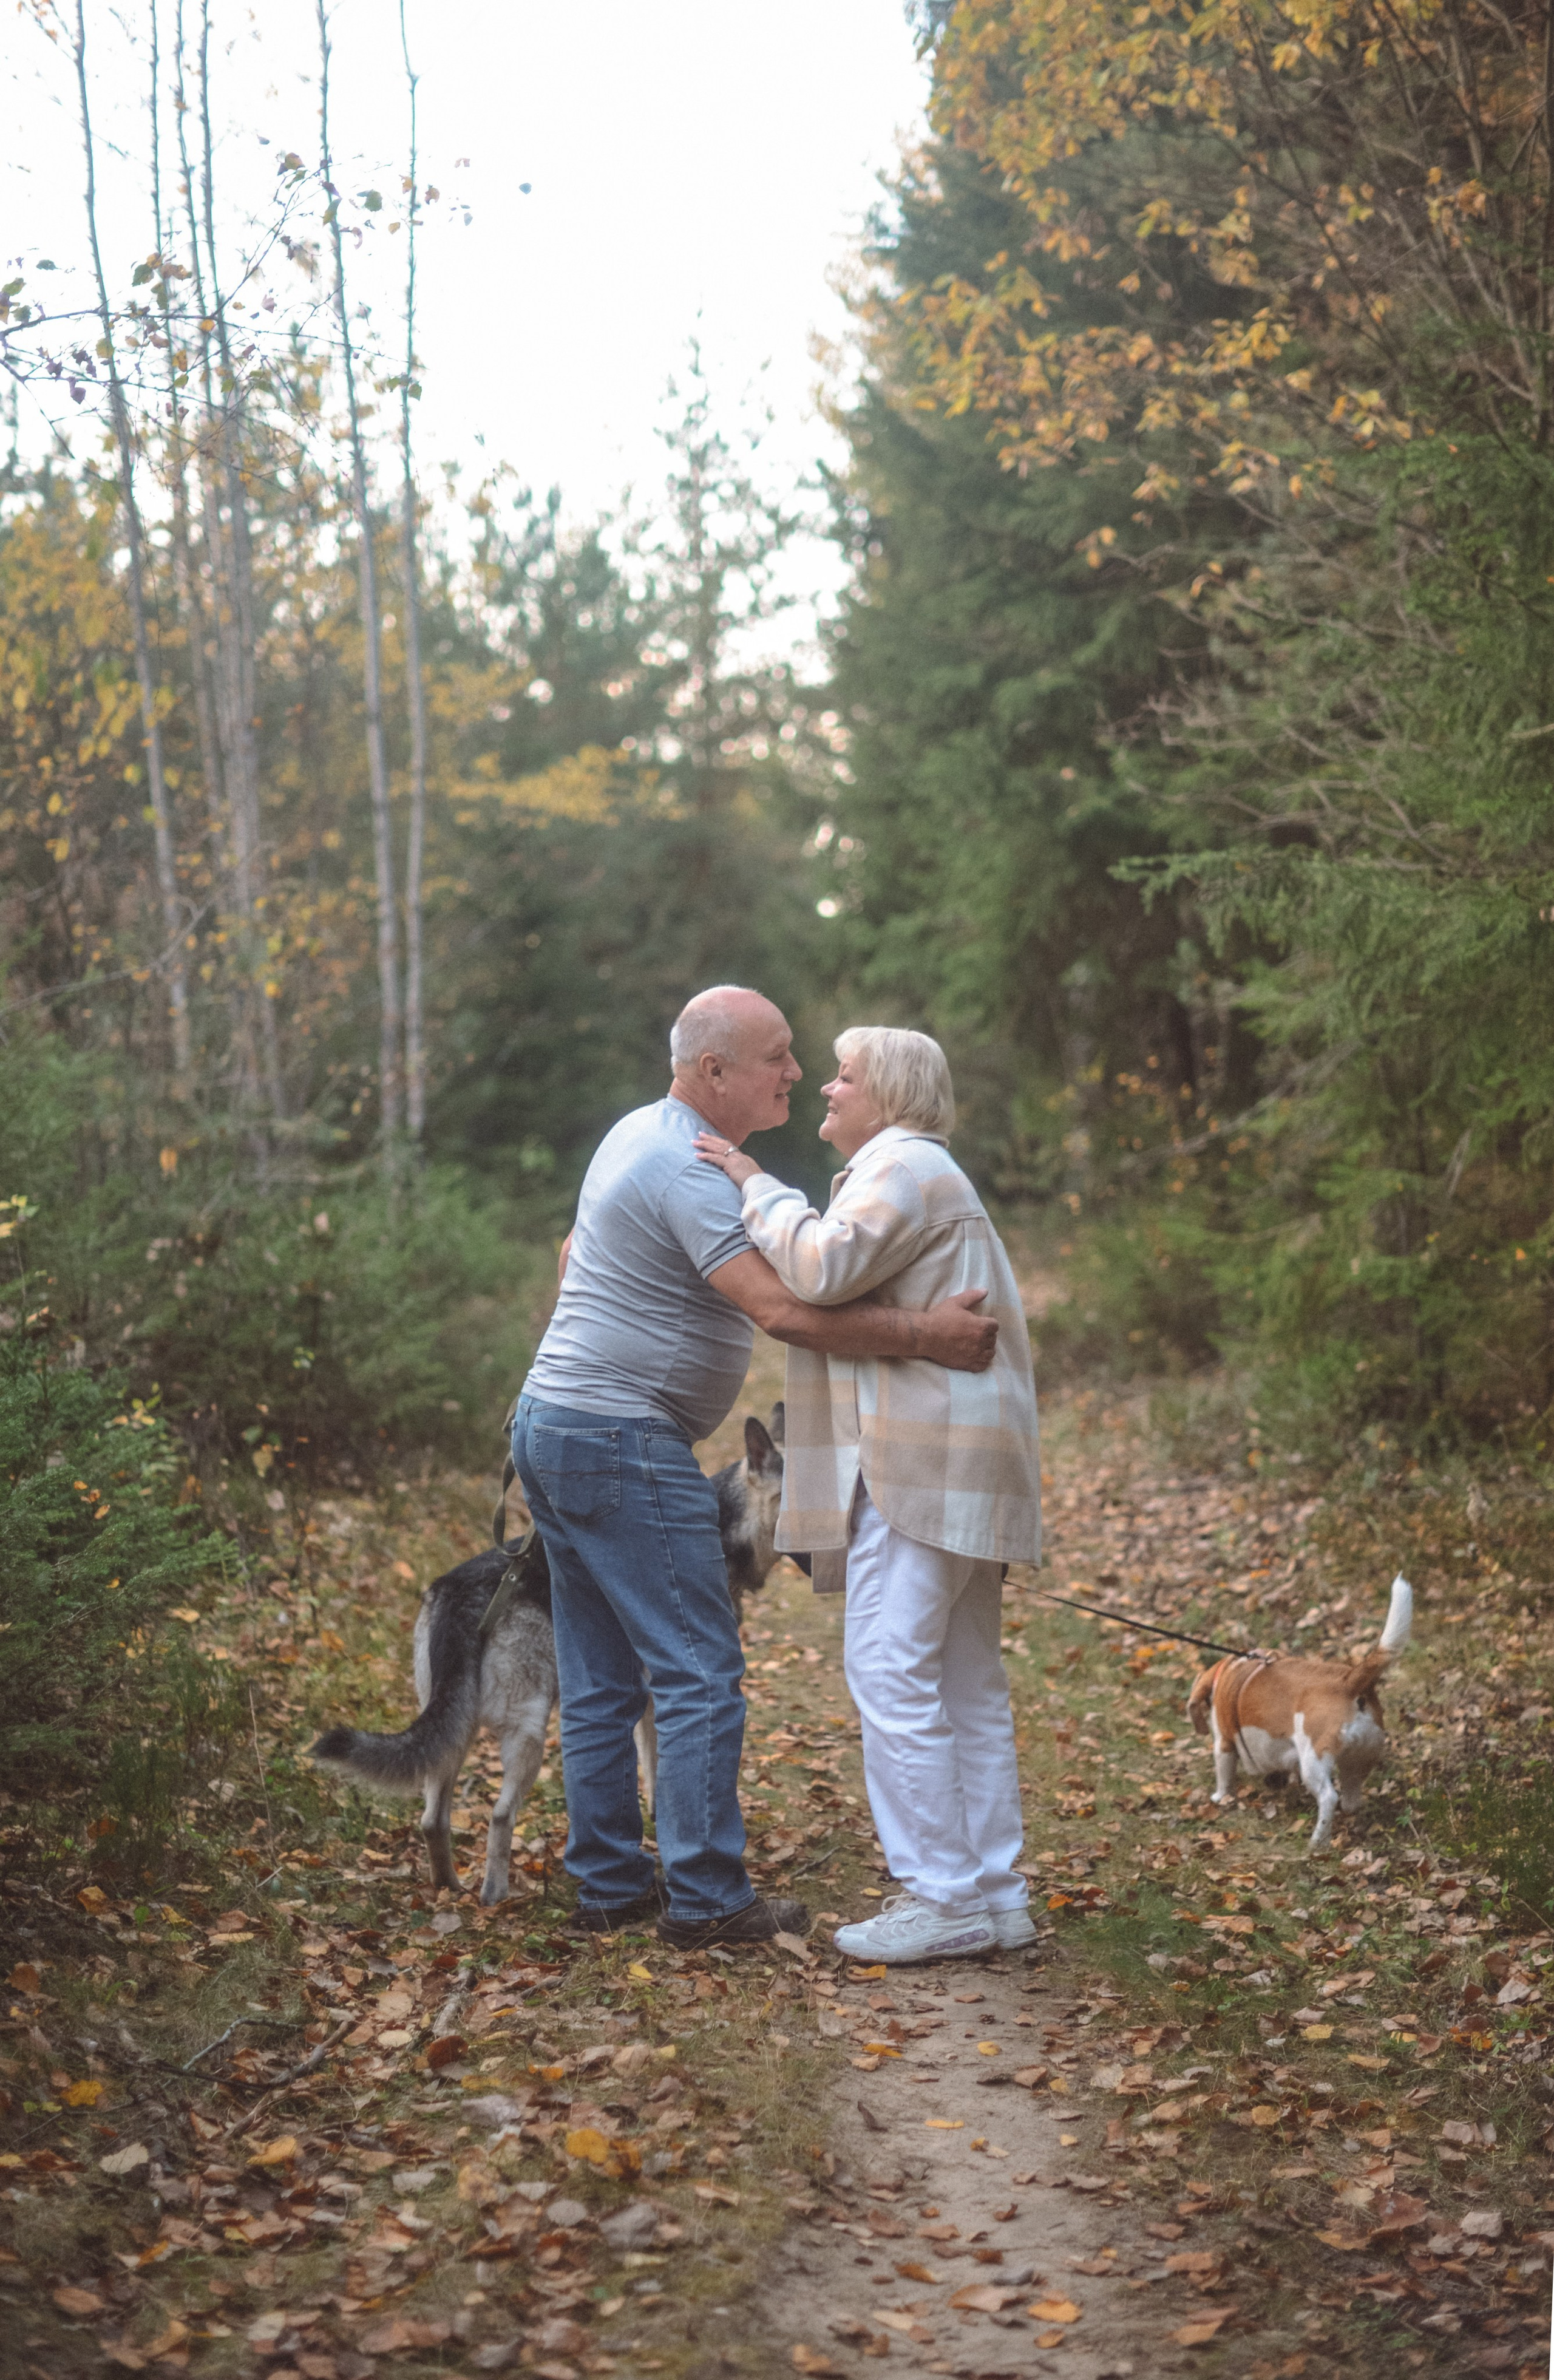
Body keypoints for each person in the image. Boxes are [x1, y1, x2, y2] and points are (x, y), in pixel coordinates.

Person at [509, 986, 1000, 1950]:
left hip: (558, 1425)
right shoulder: (687, 1166)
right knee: (698, 1666)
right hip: (618, 1438)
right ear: (714, 1071)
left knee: (602, 1675)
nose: (795, 1072)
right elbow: (783, 1311)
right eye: (776, 1055)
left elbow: (574, 1255)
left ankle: (609, 1885)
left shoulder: (636, 1135)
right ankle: (705, 1899)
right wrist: (928, 1336)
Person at [696, 1025, 1040, 1965]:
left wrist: (753, 1183)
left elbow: (818, 1268)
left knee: (892, 1671)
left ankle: (942, 1896)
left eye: (845, 1077)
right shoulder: (925, 1172)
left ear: (887, 1096)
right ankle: (996, 1894)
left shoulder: (902, 1167)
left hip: (917, 1466)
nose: (827, 1088)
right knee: (965, 1683)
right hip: (956, 1462)